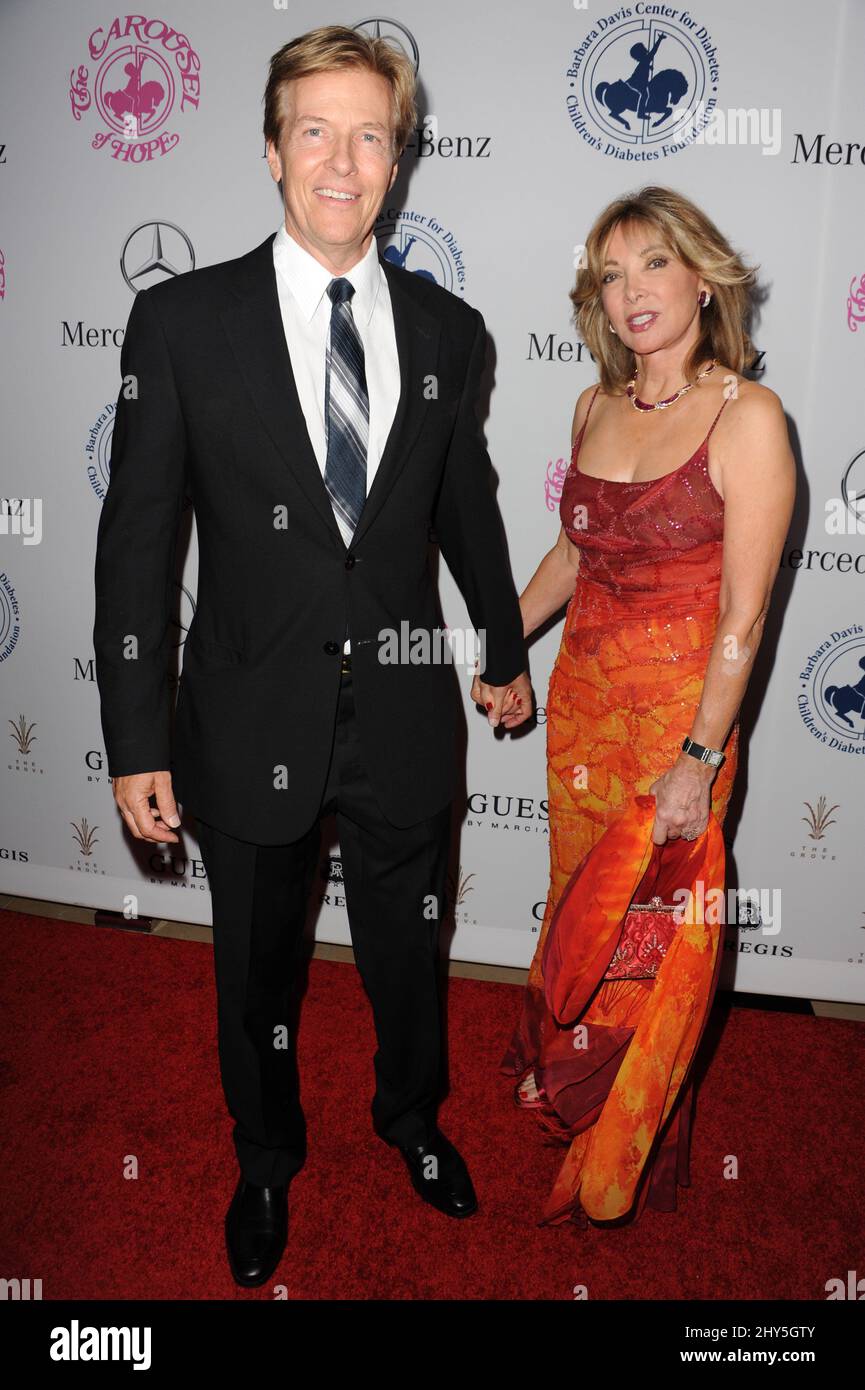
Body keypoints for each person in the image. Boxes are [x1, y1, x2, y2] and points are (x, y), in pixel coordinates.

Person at [93, 23, 532, 1287]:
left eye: (371, 135)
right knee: (256, 971)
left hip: (400, 711)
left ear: (399, 158)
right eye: (317, 130)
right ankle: (266, 1160)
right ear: (274, 150)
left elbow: (467, 505)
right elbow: (137, 544)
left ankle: (413, 1119)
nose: (343, 159)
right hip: (244, 712)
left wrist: (502, 638)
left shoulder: (450, 332)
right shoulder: (180, 323)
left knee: (409, 947)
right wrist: (135, 739)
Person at [497, 185, 796, 1226]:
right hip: (582, 713)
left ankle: (624, 1148)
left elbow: (744, 617)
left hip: (678, 725)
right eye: (612, 274)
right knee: (585, 916)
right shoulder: (593, 403)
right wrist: (502, 642)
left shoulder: (746, 416)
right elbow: (575, 552)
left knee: (654, 942)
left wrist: (697, 758)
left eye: (654, 265)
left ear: (704, 278)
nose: (633, 292)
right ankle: (574, 1098)